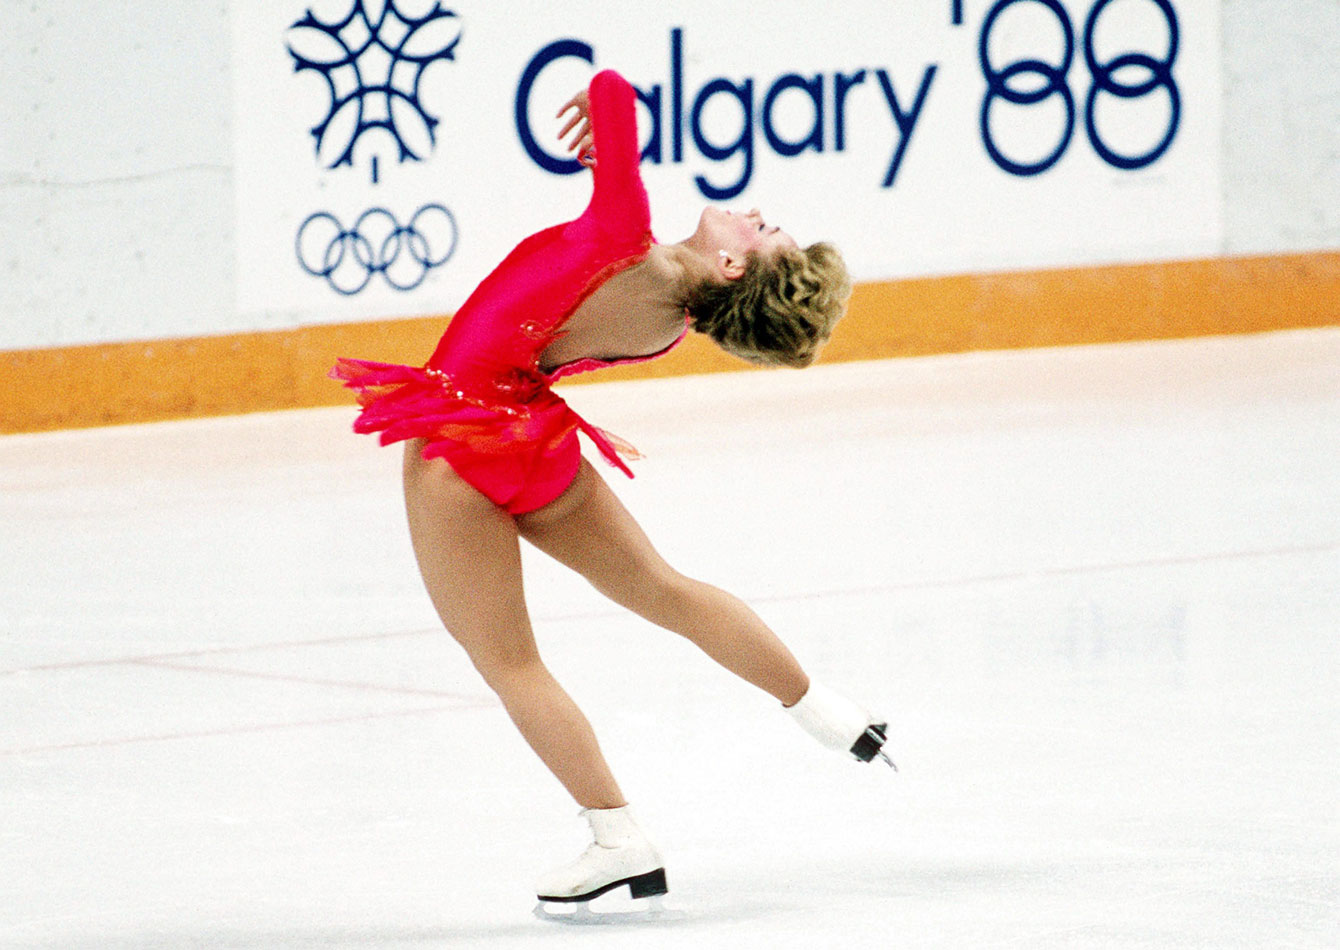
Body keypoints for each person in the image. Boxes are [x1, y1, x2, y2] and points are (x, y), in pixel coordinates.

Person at [332, 69, 892, 911]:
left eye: (765, 229)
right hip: (537, 443)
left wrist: (604, 127)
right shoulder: (667, 324)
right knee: (664, 589)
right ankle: (825, 711)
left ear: (734, 262)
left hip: (460, 442)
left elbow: (612, 84)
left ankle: (617, 840)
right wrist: (608, 140)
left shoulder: (624, 232)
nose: (757, 211)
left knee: (508, 660)